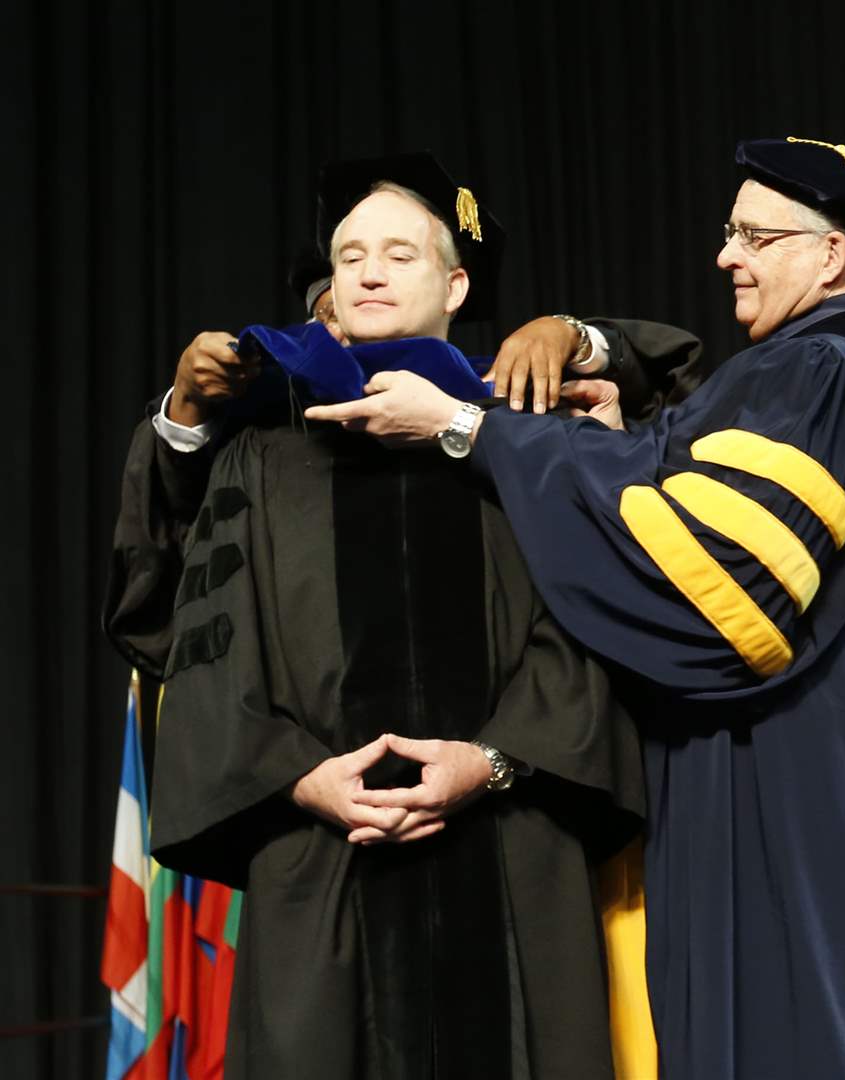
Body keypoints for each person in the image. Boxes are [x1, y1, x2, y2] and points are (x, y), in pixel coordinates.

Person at [306, 136, 845, 1079]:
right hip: (811, 767)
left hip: (790, 777)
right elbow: (703, 498)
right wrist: (631, 445)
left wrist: (466, 427)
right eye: (729, 232)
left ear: (832, 254)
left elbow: (720, 586)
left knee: (795, 1034)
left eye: (756, 235)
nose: (727, 256)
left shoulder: (819, 375)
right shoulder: (835, 378)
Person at [108, 154, 644, 1078]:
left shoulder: (521, 436)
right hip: (323, 852)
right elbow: (195, 639)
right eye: (350, 253)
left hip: (510, 846)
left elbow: (593, 625)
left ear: (457, 284)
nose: (368, 269)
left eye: (399, 252)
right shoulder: (262, 457)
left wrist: (493, 759)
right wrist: (295, 777)